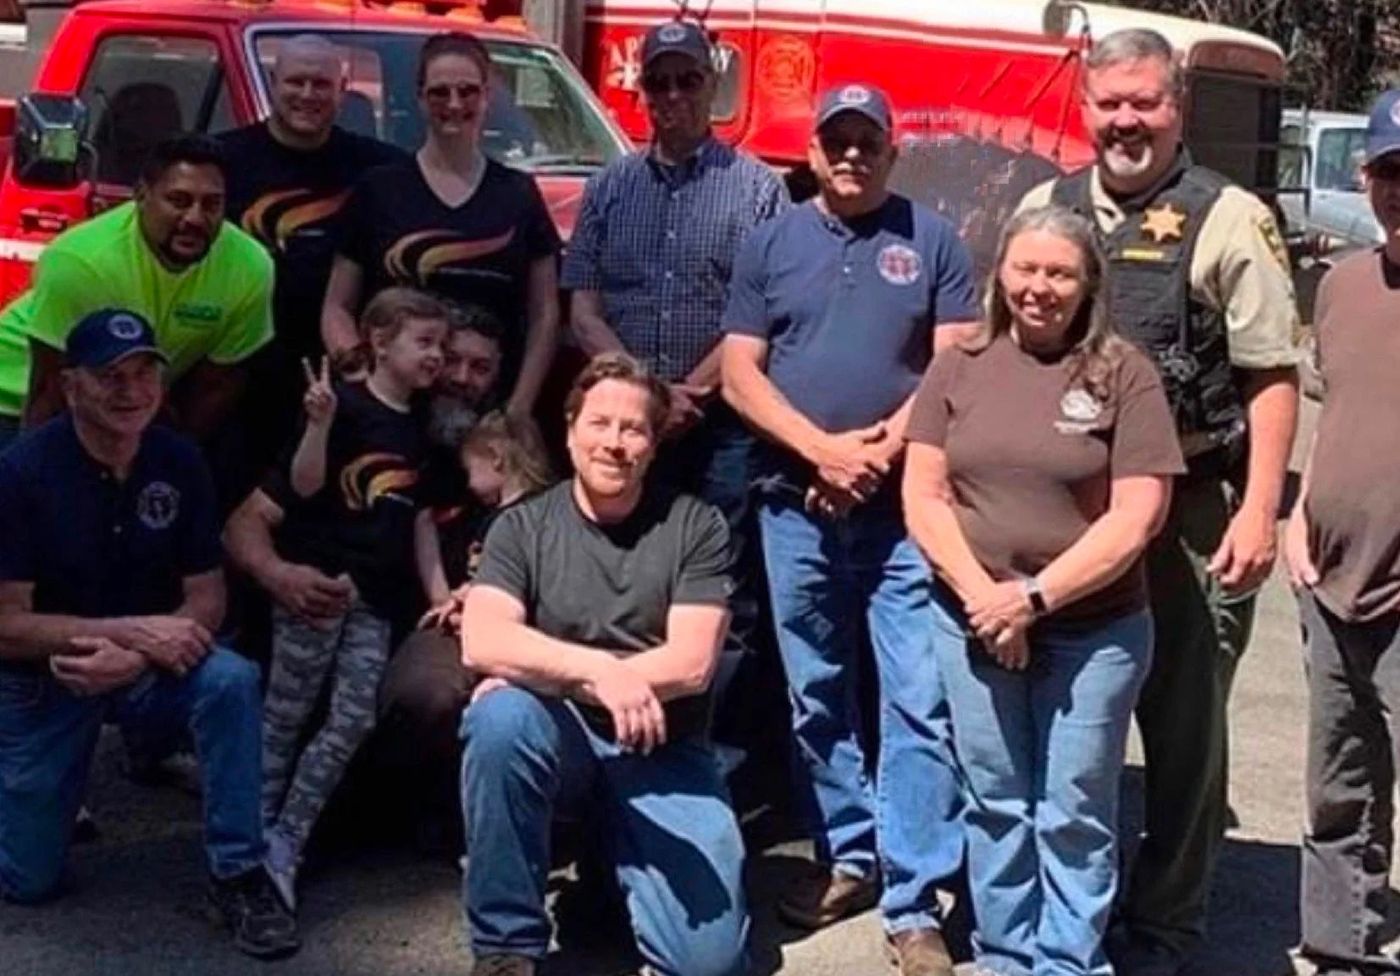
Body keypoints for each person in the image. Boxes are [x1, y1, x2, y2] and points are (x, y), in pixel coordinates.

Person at [1016, 29, 1301, 973]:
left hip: (1189, 510)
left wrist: (1261, 509)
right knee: (1062, 720)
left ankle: (1168, 920)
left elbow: (1270, 376)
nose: (1126, 120)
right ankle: (1063, 905)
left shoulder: (1229, 218)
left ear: (1177, 105)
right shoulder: (1043, 206)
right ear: (1085, 106)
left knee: (1182, 724)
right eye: (1110, 103)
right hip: (1068, 509)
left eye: (1146, 102)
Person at [720, 84, 977, 974]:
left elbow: (953, 363)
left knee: (917, 697)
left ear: (892, 151)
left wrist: (874, 454)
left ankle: (914, 901)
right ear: (815, 153)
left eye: (869, 141)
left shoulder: (932, 239)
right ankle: (849, 857)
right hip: (795, 506)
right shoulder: (772, 241)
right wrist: (820, 451)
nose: (853, 155)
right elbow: (741, 376)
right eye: (838, 141)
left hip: (905, 514)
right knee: (815, 692)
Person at [904, 206, 1184, 976]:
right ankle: (1004, 955)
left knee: (1074, 808)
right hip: (970, 619)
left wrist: (1030, 601)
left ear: (1088, 282)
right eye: (1026, 269)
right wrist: (982, 597)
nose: (1040, 288)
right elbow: (924, 494)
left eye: (1060, 272)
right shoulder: (959, 360)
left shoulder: (1124, 371)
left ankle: (1065, 962)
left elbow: (1137, 517)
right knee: (995, 799)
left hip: (1094, 631)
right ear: (1001, 273)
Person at [0, 309, 297, 958]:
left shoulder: (179, 459)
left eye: (144, 373)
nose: (131, 390)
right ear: (71, 385)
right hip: (49, 677)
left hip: (144, 667)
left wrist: (131, 657)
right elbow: (7, 626)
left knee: (230, 680)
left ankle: (239, 873)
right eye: (111, 376)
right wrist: (126, 635)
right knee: (28, 879)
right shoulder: (22, 473)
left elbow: (207, 597)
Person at [457, 351, 748, 976]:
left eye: (634, 428)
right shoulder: (523, 526)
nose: (614, 443)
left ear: (654, 442)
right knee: (501, 722)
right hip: (558, 737)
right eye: (599, 423)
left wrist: (566, 672)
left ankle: (609, 872)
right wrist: (601, 673)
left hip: (661, 743)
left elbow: (693, 663)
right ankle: (507, 946)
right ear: (569, 431)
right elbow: (481, 638)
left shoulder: (696, 525)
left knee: (709, 964)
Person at [257, 287, 447, 911]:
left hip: (373, 599)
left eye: (441, 345)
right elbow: (305, 486)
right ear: (380, 341)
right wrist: (318, 425)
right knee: (286, 715)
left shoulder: (420, 428)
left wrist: (441, 594)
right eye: (424, 342)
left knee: (353, 718)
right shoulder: (345, 406)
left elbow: (418, 518)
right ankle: (246, 837)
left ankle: (288, 839)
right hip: (318, 586)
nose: (436, 356)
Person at [1284, 91, 1400, 976]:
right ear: (1365, 178)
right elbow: (1342, 414)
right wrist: (1298, 510)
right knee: (1339, 784)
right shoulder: (1344, 283)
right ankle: (1341, 947)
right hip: (1329, 574)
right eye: (1390, 172)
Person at [323, 30, 560, 419]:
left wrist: (519, 407)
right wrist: (361, 380)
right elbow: (337, 306)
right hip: (393, 413)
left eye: (467, 91)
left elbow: (545, 315)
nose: (454, 104)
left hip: (486, 416)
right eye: (439, 92)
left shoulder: (518, 194)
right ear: (420, 97)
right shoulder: (379, 190)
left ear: (487, 96)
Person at [0, 135, 274, 449]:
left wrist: (168, 460)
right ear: (141, 196)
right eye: (179, 201)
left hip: (121, 404)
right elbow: (48, 395)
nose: (195, 218)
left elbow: (217, 386)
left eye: (212, 204)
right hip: (15, 395)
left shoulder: (250, 267)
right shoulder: (82, 259)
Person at [218, 33, 407, 471]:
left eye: (321, 84)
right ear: (273, 83)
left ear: (342, 92)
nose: (307, 94)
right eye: (295, 82)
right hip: (237, 377)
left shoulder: (381, 169)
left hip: (342, 379)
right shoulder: (224, 161)